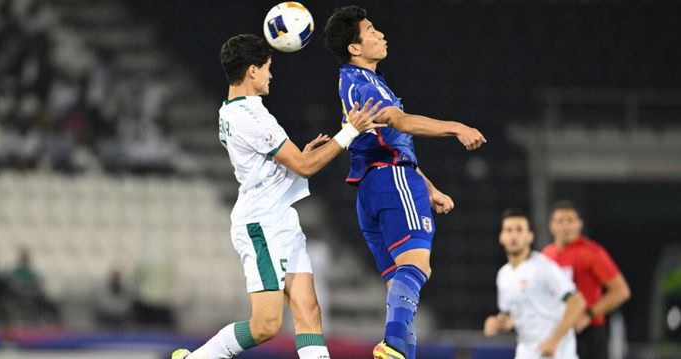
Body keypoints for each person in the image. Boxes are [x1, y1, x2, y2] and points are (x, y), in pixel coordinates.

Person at [171, 34, 383, 359]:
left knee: (308, 311)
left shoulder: (232, 110)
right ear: (252, 71)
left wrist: (300, 160)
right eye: (268, 67)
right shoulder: (251, 117)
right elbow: (305, 165)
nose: (271, 75)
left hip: (280, 218)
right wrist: (350, 130)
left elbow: (285, 162)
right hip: (262, 224)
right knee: (266, 325)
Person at [323, 6, 487, 359]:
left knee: (402, 286)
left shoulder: (355, 82)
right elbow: (400, 122)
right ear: (354, 47)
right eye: (371, 30)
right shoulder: (362, 82)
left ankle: (401, 352)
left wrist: (427, 187)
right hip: (391, 180)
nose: (381, 34)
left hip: (372, 186)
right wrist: (456, 127)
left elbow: (381, 143)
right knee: (418, 266)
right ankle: (394, 344)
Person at [484, 208, 586, 359]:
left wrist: (554, 340)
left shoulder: (543, 267)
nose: (513, 235)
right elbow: (512, 316)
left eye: (519, 230)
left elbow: (577, 301)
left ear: (530, 237)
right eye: (509, 230)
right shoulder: (503, 275)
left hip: (557, 353)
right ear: (501, 237)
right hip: (527, 352)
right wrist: (498, 323)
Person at [543, 200, 631, 359]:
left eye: (570, 220)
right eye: (560, 221)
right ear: (551, 226)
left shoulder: (591, 252)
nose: (565, 226)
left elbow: (621, 291)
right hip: (558, 331)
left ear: (579, 224)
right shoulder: (546, 256)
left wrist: (589, 314)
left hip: (588, 332)